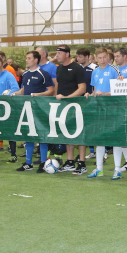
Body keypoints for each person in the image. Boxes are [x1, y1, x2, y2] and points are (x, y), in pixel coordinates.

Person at [12, 51, 54, 172]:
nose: (26, 60)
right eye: (26, 58)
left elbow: (51, 90)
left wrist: (37, 95)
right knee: (28, 135)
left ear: (36, 60)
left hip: (40, 109)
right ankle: (28, 163)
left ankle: (43, 162)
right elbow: (24, 90)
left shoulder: (43, 73)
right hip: (27, 108)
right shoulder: (25, 74)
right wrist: (13, 94)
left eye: (29, 58)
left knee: (41, 136)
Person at [87, 48, 122, 179]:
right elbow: (95, 91)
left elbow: (120, 90)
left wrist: (105, 94)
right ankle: (99, 168)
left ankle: (117, 169)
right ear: (96, 59)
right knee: (99, 138)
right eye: (99, 58)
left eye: (104, 57)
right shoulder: (94, 72)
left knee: (115, 139)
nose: (102, 60)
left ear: (108, 58)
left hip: (113, 108)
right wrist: (89, 95)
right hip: (99, 109)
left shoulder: (113, 70)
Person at [54, 44, 88, 174]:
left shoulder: (77, 68)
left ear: (67, 54)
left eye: (59, 53)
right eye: (56, 53)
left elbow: (82, 88)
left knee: (79, 134)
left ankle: (82, 163)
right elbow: (59, 87)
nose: (57, 56)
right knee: (67, 133)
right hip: (63, 106)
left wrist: (68, 98)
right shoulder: (59, 69)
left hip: (77, 106)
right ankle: (70, 162)